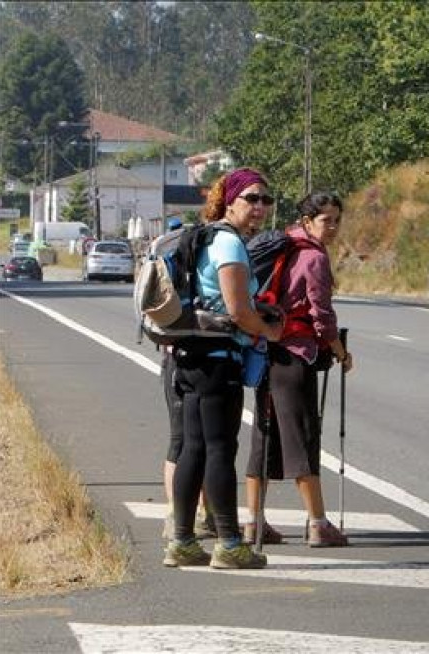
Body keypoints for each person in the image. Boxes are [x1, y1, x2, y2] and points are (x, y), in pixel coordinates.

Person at [163, 168, 283, 569]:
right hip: (218, 359)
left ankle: (181, 541)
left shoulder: (205, 236)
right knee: (219, 449)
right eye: (251, 198)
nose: (260, 207)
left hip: (190, 355)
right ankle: (230, 544)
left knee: (193, 448)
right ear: (229, 200)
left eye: (266, 200)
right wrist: (269, 331)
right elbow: (237, 310)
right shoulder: (229, 243)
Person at [244, 191, 353, 548]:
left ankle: (254, 523)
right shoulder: (313, 257)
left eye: (337, 219)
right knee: (303, 438)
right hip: (294, 357)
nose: (333, 227)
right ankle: (318, 524)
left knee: (264, 437)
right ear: (308, 222)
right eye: (326, 220)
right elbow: (322, 317)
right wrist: (340, 352)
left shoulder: (283, 246)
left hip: (265, 353)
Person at [159, 218, 214, 542]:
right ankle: (180, 515)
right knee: (195, 440)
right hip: (196, 354)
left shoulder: (167, 253)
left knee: (185, 440)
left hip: (172, 355)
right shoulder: (208, 252)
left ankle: (183, 514)